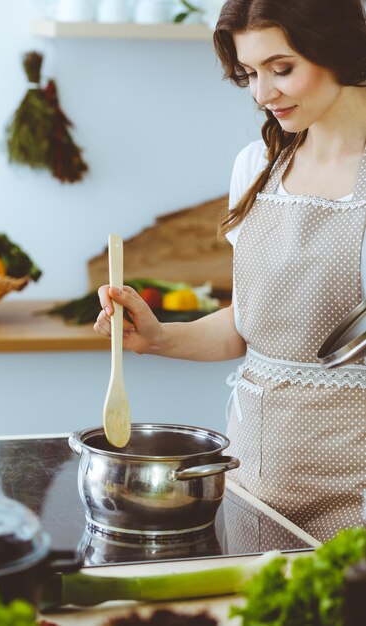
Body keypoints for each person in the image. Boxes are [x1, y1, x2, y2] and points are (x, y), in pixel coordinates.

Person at [94, 0, 366, 542]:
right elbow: (251, 327)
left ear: (337, 49)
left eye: (281, 68)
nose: (262, 95)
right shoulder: (257, 166)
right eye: (249, 74)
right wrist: (160, 337)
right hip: (253, 478)